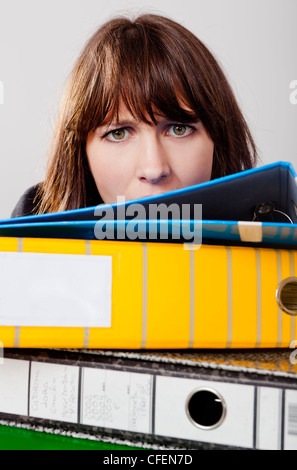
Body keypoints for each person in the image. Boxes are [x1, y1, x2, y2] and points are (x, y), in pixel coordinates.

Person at [11, 13, 257, 218]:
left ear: (220, 140)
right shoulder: (34, 223)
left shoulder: (275, 227)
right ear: (81, 155)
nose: (154, 169)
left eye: (179, 129)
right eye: (118, 133)